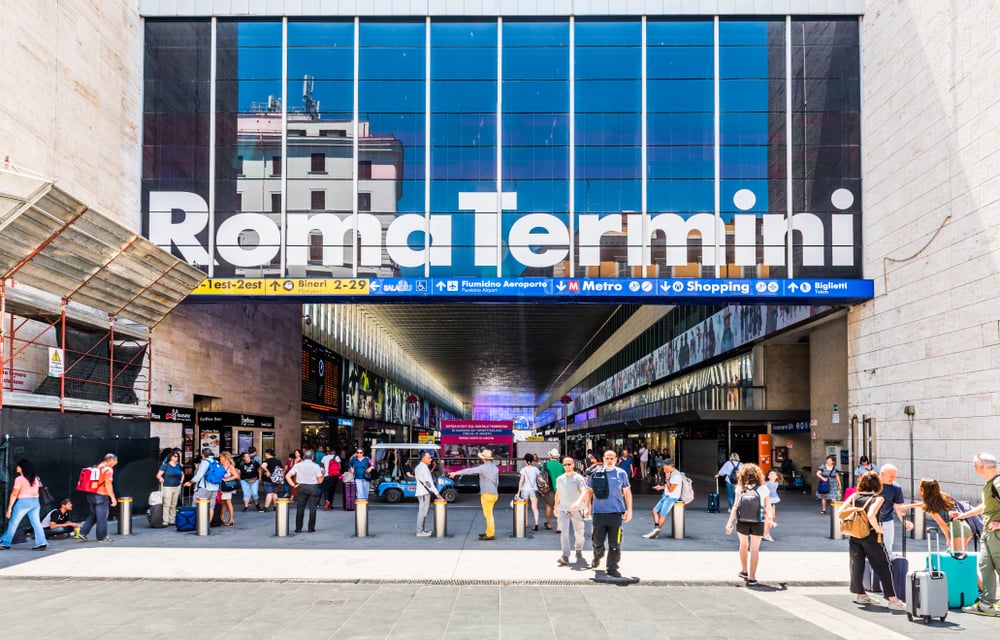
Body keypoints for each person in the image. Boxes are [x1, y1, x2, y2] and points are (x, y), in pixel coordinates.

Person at [842, 471, 905, 610]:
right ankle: (893, 600)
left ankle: (861, 595)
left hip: (855, 535)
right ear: (877, 484)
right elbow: (871, 515)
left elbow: (841, 511)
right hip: (871, 536)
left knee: (857, 565)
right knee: (883, 566)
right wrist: (878, 528)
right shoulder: (878, 498)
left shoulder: (854, 496)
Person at [949, 452, 1000, 616]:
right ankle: (987, 604)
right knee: (985, 566)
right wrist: (963, 515)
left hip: (997, 534)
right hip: (988, 533)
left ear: (982, 466)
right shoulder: (990, 483)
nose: (973, 468)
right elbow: (985, 506)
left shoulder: (998, 482)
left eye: (974, 465)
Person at [725, 463, 773, 587]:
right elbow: (768, 507)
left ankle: (744, 571)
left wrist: (730, 522)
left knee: (743, 545)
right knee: (754, 549)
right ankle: (752, 577)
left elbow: (735, 506)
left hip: (742, 521)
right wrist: (770, 519)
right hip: (758, 521)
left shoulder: (740, 488)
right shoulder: (763, 489)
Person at [587, 449, 633, 578]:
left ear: (616, 460)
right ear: (603, 459)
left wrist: (629, 510)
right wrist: (587, 507)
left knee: (615, 543)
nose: (609, 460)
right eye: (607, 458)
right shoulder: (595, 473)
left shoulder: (621, 474)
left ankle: (612, 567)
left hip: (616, 513)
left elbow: (627, 493)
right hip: (599, 513)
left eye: (612, 458)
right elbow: (589, 491)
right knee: (597, 541)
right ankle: (598, 555)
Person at [901, 478, 974, 553]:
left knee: (958, 559)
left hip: (956, 530)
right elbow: (924, 504)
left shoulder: (931, 506)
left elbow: (942, 524)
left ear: (922, 489)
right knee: (963, 558)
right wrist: (908, 506)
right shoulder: (943, 496)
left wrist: (948, 538)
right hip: (964, 527)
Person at [449, 449, 500, 541]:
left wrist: (456, 473)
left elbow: (470, 470)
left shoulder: (484, 467)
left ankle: (490, 534)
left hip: (487, 493)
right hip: (494, 493)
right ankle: (488, 531)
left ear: (483, 458)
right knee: (489, 514)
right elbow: (497, 482)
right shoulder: (495, 468)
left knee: (488, 515)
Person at [0, 459, 48, 550]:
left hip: (23, 502)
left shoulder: (19, 479)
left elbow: (14, 494)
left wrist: (9, 508)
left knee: (13, 523)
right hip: (35, 502)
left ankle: (6, 543)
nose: (16, 467)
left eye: (18, 466)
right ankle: (41, 542)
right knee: (36, 523)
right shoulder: (36, 478)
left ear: (22, 468)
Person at [555, 456, 589, 565]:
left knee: (579, 532)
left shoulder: (578, 478)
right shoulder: (560, 479)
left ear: (573, 465)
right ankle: (565, 555)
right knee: (564, 532)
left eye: (569, 464)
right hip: (563, 509)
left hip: (577, 509)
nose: (567, 466)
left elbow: (584, 492)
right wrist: (556, 506)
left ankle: (578, 549)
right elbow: (558, 493)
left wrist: (578, 503)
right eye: (565, 464)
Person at [78, 453, 119, 544]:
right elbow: (108, 485)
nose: (116, 462)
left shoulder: (97, 466)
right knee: (102, 517)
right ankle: (102, 537)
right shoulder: (108, 470)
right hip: (101, 496)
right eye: (116, 460)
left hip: (91, 494)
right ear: (111, 460)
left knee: (93, 515)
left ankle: (83, 532)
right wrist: (113, 498)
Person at [286, 449, 324, 533]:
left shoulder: (298, 465)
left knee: (300, 508)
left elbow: (288, 476)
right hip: (313, 487)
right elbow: (320, 481)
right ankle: (311, 528)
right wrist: (323, 474)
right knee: (312, 508)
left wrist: (293, 485)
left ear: (304, 457)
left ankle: (298, 528)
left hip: (301, 486)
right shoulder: (316, 466)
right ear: (312, 457)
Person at [643, 457, 681, 539]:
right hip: (666, 496)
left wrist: (667, 479)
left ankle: (655, 531)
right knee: (654, 511)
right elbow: (669, 487)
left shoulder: (676, 476)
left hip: (671, 498)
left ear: (670, 466)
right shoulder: (671, 474)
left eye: (664, 466)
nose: (663, 468)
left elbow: (671, 489)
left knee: (662, 515)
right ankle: (656, 530)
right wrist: (661, 487)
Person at [877, 464, 912, 553]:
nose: (893, 479)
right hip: (870, 521)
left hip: (887, 521)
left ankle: (886, 566)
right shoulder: (871, 484)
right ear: (882, 473)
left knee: (887, 549)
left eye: (895, 477)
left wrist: (904, 520)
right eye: (891, 476)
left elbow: (898, 506)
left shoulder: (896, 488)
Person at [414, 451, 443, 537]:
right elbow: (428, 482)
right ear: (423, 458)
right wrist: (437, 494)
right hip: (424, 492)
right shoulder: (423, 468)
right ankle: (419, 531)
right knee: (422, 512)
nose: (431, 459)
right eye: (429, 458)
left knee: (423, 511)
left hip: (422, 492)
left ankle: (422, 529)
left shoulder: (419, 467)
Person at [184, 448, 221, 514]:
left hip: (204, 488)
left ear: (203, 455)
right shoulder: (216, 462)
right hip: (215, 488)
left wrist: (190, 482)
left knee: (196, 504)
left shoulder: (204, 462)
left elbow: (199, 475)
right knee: (211, 507)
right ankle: (207, 523)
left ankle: (198, 523)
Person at [156, 450, 184, 526]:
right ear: (170, 457)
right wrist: (160, 479)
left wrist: (181, 481)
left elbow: (182, 474)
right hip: (167, 486)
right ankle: (165, 520)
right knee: (167, 504)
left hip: (176, 486)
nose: (176, 457)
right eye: (175, 456)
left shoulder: (178, 466)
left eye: (177, 456)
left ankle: (172, 519)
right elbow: (158, 475)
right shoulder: (165, 465)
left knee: (173, 504)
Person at [517, 453, 541, 531]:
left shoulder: (523, 470)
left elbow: (521, 481)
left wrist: (518, 492)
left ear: (525, 461)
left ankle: (526, 523)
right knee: (534, 507)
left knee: (525, 508)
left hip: (525, 490)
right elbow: (539, 479)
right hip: (534, 490)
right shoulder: (536, 469)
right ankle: (536, 523)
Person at [543, 448, 565, 531]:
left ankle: (549, 524)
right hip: (560, 489)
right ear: (558, 457)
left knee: (549, 507)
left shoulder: (546, 465)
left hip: (549, 489)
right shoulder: (562, 466)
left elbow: (542, 476)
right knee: (559, 507)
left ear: (550, 456)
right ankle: (558, 526)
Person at [218, 451, 240, 526]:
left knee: (228, 502)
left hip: (227, 487)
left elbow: (236, 476)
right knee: (223, 503)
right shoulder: (220, 465)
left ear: (225, 458)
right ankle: (222, 518)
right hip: (221, 487)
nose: (220, 458)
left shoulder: (230, 466)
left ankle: (231, 519)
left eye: (221, 457)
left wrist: (226, 479)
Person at [763, 469, 782, 542]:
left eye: (774, 474)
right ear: (768, 476)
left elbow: (774, 491)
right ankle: (766, 534)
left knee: (772, 516)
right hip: (767, 502)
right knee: (768, 517)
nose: (772, 475)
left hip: (773, 501)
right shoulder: (766, 484)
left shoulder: (776, 483)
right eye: (770, 474)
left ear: (776, 476)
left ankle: (764, 532)